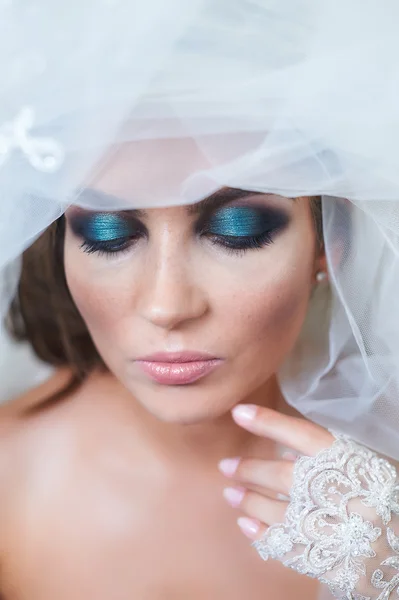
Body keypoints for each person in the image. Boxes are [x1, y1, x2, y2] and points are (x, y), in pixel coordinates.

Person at [1, 2, 399, 599]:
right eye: (108, 235)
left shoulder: (385, 497)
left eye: (236, 229)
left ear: (329, 242)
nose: (168, 304)